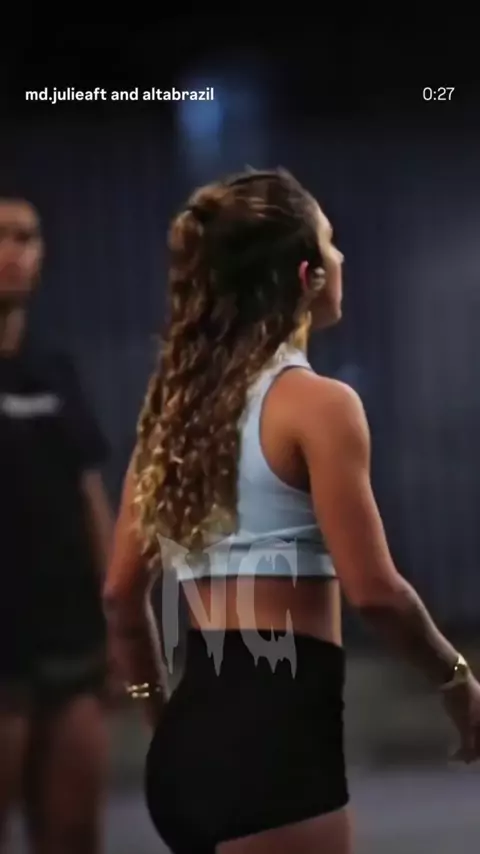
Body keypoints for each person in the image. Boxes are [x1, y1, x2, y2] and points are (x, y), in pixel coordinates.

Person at [104, 168, 480, 854]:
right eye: (331, 243)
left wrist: (161, 722)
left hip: (186, 749)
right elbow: (378, 594)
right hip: (276, 748)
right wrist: (458, 682)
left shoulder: (171, 417)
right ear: (308, 276)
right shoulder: (320, 405)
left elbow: (119, 598)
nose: (343, 257)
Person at [0, 196, 113, 854]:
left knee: (73, 833)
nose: (13, 251)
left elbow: (88, 493)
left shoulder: (55, 369)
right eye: (1, 236)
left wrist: (117, 617)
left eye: (27, 237)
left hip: (69, 637)